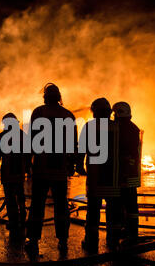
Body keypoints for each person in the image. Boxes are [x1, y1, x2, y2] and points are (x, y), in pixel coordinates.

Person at [25, 83, 79, 255]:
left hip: (41, 168)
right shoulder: (68, 115)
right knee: (61, 206)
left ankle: (33, 241)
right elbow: (73, 144)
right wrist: (73, 165)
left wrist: (28, 163)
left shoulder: (38, 113)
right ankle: (63, 241)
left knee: (37, 206)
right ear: (59, 97)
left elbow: (31, 140)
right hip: (60, 170)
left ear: (45, 97)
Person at [79, 98, 122, 253]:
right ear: (109, 112)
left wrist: (78, 165)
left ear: (94, 112)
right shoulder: (118, 127)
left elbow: (81, 149)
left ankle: (91, 241)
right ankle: (113, 240)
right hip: (113, 177)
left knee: (93, 211)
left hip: (95, 177)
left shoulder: (90, 127)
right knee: (113, 211)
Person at [0, 113, 31, 238]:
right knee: (20, 197)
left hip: (7, 173)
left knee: (10, 199)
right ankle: (23, 220)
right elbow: (29, 153)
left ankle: (13, 222)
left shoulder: (2, 136)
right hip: (19, 173)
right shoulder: (22, 135)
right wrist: (28, 169)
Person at [112, 102, 141, 244]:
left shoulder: (117, 128)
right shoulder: (134, 128)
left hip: (120, 173)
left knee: (118, 204)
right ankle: (132, 232)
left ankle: (118, 233)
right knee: (131, 204)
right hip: (133, 174)